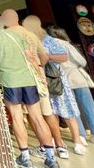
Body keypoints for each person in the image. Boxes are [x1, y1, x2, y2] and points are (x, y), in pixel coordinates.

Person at [0, 15, 62, 168]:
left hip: (10, 81)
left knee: (17, 117)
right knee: (38, 118)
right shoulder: (17, 35)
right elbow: (31, 57)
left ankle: (25, 158)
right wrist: (40, 77)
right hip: (29, 80)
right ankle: (51, 159)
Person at [24, 17, 87, 155]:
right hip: (41, 79)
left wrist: (46, 57)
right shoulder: (31, 41)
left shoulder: (49, 40)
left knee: (67, 110)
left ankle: (77, 140)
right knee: (50, 112)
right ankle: (57, 142)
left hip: (55, 78)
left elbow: (64, 57)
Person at [19, 14, 71, 160]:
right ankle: (58, 145)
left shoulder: (27, 38)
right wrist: (40, 66)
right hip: (41, 79)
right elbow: (48, 57)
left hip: (30, 78)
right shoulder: (41, 38)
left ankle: (47, 146)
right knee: (46, 113)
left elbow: (58, 56)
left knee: (34, 114)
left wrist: (36, 65)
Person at [47, 24, 94, 146]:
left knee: (71, 109)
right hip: (77, 79)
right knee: (89, 107)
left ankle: (80, 135)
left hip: (62, 81)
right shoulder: (67, 45)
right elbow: (82, 61)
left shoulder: (48, 46)